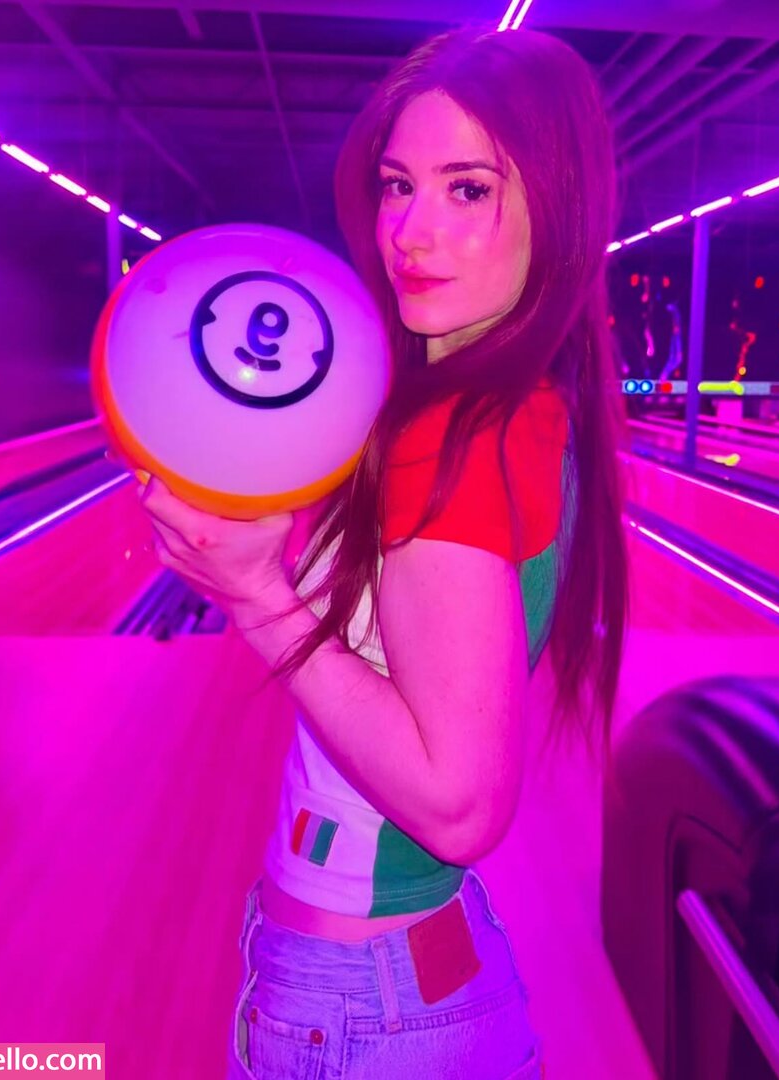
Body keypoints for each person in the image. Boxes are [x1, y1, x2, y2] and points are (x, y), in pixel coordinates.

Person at [139, 24, 629, 1080]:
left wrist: (258, 598)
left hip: (366, 1014)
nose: (411, 228)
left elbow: (460, 803)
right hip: (402, 992)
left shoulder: (451, 435)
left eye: (468, 190)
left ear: (557, 212)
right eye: (399, 185)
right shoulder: (521, 409)